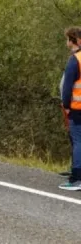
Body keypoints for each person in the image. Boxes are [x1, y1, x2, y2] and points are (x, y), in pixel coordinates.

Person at [59, 26, 81, 190]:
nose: (66, 43)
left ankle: (76, 178)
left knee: (77, 141)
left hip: (77, 108)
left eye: (68, 39)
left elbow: (67, 87)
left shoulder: (75, 60)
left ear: (75, 41)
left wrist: (66, 106)